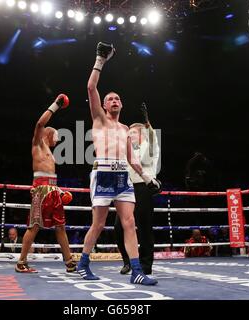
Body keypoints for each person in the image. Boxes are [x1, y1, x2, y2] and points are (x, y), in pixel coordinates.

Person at [76, 42, 161, 285]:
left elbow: (131, 158)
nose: (114, 100)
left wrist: (146, 177)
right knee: (99, 224)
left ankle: (136, 271)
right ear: (103, 105)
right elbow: (91, 86)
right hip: (102, 173)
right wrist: (100, 60)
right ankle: (83, 263)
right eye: (110, 98)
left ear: (121, 105)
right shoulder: (99, 120)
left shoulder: (125, 129)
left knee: (130, 222)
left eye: (117, 99)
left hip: (123, 176)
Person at [15, 94, 76, 273]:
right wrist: (56, 105)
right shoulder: (38, 143)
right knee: (34, 226)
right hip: (41, 191)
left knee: (60, 226)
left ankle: (70, 262)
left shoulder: (49, 151)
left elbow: (49, 174)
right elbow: (39, 124)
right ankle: (21, 262)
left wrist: (59, 190)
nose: (57, 141)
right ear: (50, 134)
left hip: (52, 190)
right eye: (56, 137)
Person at [114, 104, 160, 275]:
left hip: (143, 188)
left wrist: (147, 122)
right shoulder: (128, 152)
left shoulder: (150, 147)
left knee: (145, 227)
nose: (129, 135)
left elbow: (153, 137)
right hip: (126, 189)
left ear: (140, 134)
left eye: (132, 132)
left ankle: (145, 265)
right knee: (119, 227)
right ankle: (128, 261)